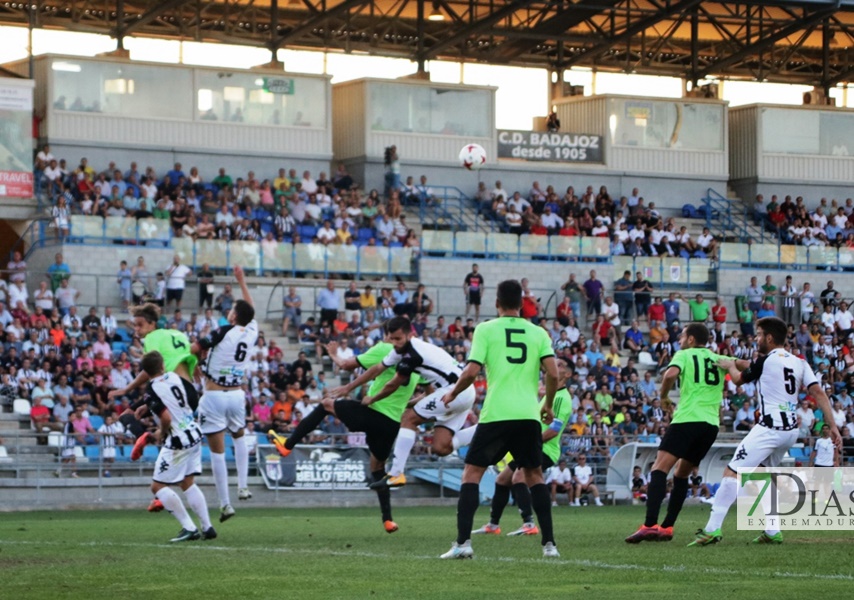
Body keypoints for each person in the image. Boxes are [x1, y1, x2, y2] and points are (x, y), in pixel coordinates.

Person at [690, 317, 841, 546]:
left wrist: (729, 365)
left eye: (759, 335)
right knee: (762, 476)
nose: (756, 339)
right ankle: (772, 531)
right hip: (790, 431)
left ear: (769, 338)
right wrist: (835, 427)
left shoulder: (766, 360)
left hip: (770, 428)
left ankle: (712, 529)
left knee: (732, 473)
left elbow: (739, 379)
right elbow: (819, 393)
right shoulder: (800, 362)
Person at [439, 279, 560, 559]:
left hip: (497, 414)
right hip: (528, 415)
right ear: (521, 304)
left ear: (496, 303)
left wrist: (452, 394)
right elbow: (553, 374)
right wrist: (549, 405)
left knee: (472, 473)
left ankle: (462, 544)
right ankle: (549, 545)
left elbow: (470, 373)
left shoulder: (485, 329)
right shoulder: (539, 332)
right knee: (534, 476)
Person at [275, 333, 423, 533]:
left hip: (373, 413)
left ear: (389, 335)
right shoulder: (418, 360)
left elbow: (345, 365)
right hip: (391, 425)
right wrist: (408, 403)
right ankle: (388, 520)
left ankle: (287, 445)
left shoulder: (385, 349)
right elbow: (430, 390)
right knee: (378, 467)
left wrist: (333, 355)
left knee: (326, 405)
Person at [325, 316, 476, 490]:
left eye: (399, 339)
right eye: (392, 338)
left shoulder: (413, 354)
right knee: (441, 448)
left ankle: (396, 473)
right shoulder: (403, 350)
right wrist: (350, 387)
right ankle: (484, 429)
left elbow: (393, 384)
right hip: (464, 393)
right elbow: (378, 367)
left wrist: (373, 399)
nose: (395, 343)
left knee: (408, 419)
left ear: (410, 335)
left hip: (454, 392)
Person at [625, 323, 727, 543]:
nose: (679, 340)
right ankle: (667, 527)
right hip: (710, 425)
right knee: (681, 474)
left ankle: (650, 524)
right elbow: (743, 369)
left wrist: (663, 397)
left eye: (682, 336)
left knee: (659, 468)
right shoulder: (718, 358)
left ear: (690, 339)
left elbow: (670, 374)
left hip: (687, 419)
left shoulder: (685, 354)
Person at [471, 359, 573, 535]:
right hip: (532, 446)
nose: (556, 365)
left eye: (561, 365)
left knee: (518, 478)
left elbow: (554, 430)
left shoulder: (561, 398)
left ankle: (529, 524)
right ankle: (493, 525)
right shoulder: (549, 396)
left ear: (568, 374)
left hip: (545, 449)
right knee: (502, 480)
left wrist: (531, 442)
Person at [194, 265, 257, 523]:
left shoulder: (223, 331)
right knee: (239, 436)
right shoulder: (251, 331)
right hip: (237, 395)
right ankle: (243, 485)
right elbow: (249, 309)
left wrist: (196, 363)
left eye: (231, 309)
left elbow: (196, 347)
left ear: (233, 316)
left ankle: (225, 504)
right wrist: (242, 282)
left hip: (215, 395)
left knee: (217, 452)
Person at [136, 351, 215, 542]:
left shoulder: (151, 389)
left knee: (157, 486)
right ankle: (208, 527)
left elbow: (166, 418)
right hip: (194, 433)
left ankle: (189, 528)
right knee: (187, 483)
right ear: (162, 365)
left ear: (145, 371)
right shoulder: (173, 376)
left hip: (178, 441)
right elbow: (189, 398)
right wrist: (148, 407)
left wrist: (160, 432)